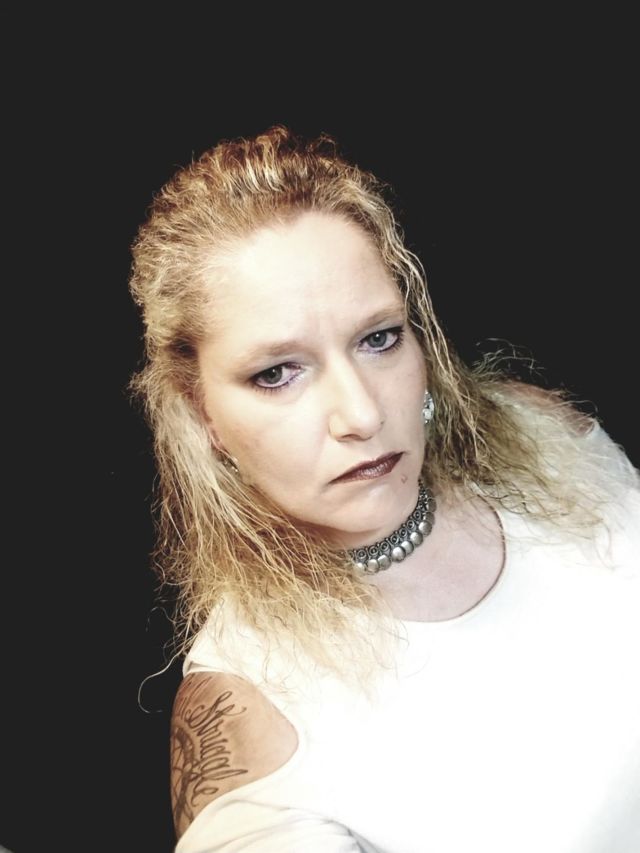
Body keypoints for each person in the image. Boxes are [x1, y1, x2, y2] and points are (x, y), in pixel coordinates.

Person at [128, 125, 640, 853]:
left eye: (378, 339)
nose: (363, 414)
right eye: (277, 373)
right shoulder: (248, 714)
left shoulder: (540, 435)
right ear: (201, 410)